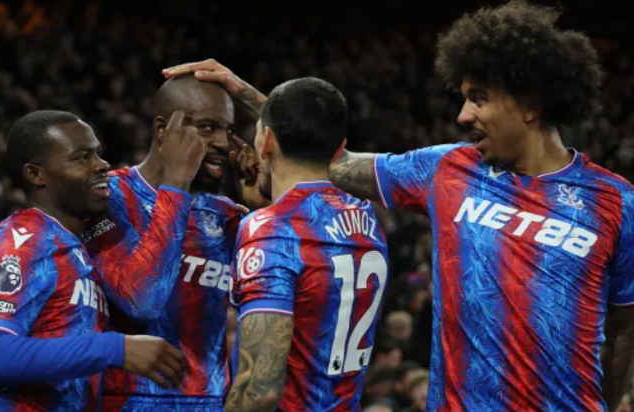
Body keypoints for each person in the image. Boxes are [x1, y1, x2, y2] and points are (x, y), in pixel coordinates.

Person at [166, 2, 634, 405]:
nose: (463, 115)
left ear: (531, 104)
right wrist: (246, 95)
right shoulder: (447, 169)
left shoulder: (616, 202)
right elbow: (325, 155)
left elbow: (624, 331)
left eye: (479, 99)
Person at [0, 110, 203, 411]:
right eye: (81, 158)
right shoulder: (21, 239)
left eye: (98, 154)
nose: (102, 164)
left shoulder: (78, 247)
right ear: (36, 175)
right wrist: (114, 348)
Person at [84, 74, 256, 411]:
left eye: (228, 130)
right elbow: (141, 301)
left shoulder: (225, 214)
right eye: (207, 127)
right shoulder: (108, 197)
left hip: (210, 402)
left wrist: (266, 212)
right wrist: (176, 183)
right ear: (163, 130)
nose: (223, 143)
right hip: (125, 401)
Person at [225, 77, 389, 411]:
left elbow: (259, 390)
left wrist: (265, 219)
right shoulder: (367, 219)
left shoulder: (270, 229)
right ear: (340, 149)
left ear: (266, 142)